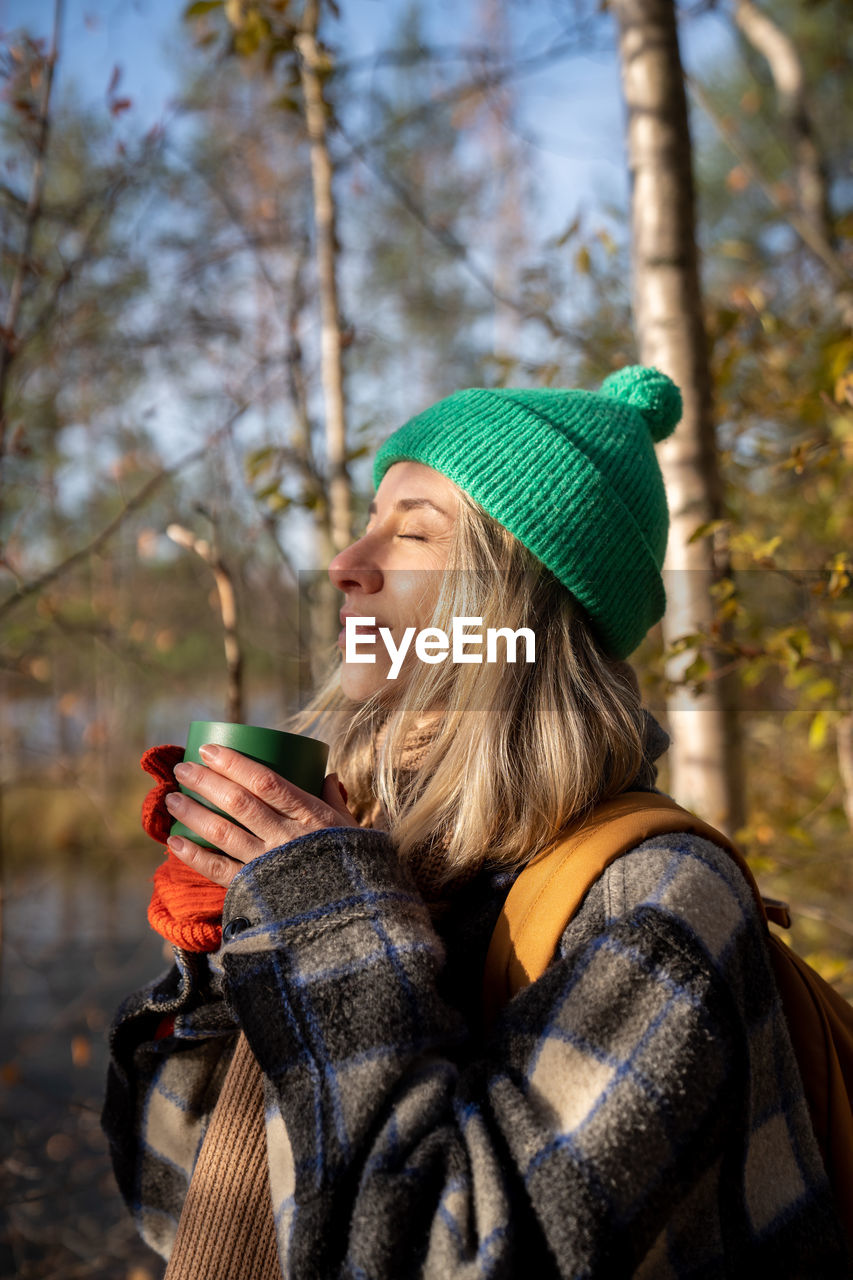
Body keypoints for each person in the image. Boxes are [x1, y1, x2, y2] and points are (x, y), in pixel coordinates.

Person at [102, 366, 848, 1278]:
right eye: (369, 520)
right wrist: (224, 963)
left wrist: (326, 923)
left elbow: (453, 1256)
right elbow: (177, 1206)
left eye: (413, 531)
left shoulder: (659, 899)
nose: (345, 564)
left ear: (516, 610)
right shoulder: (377, 851)